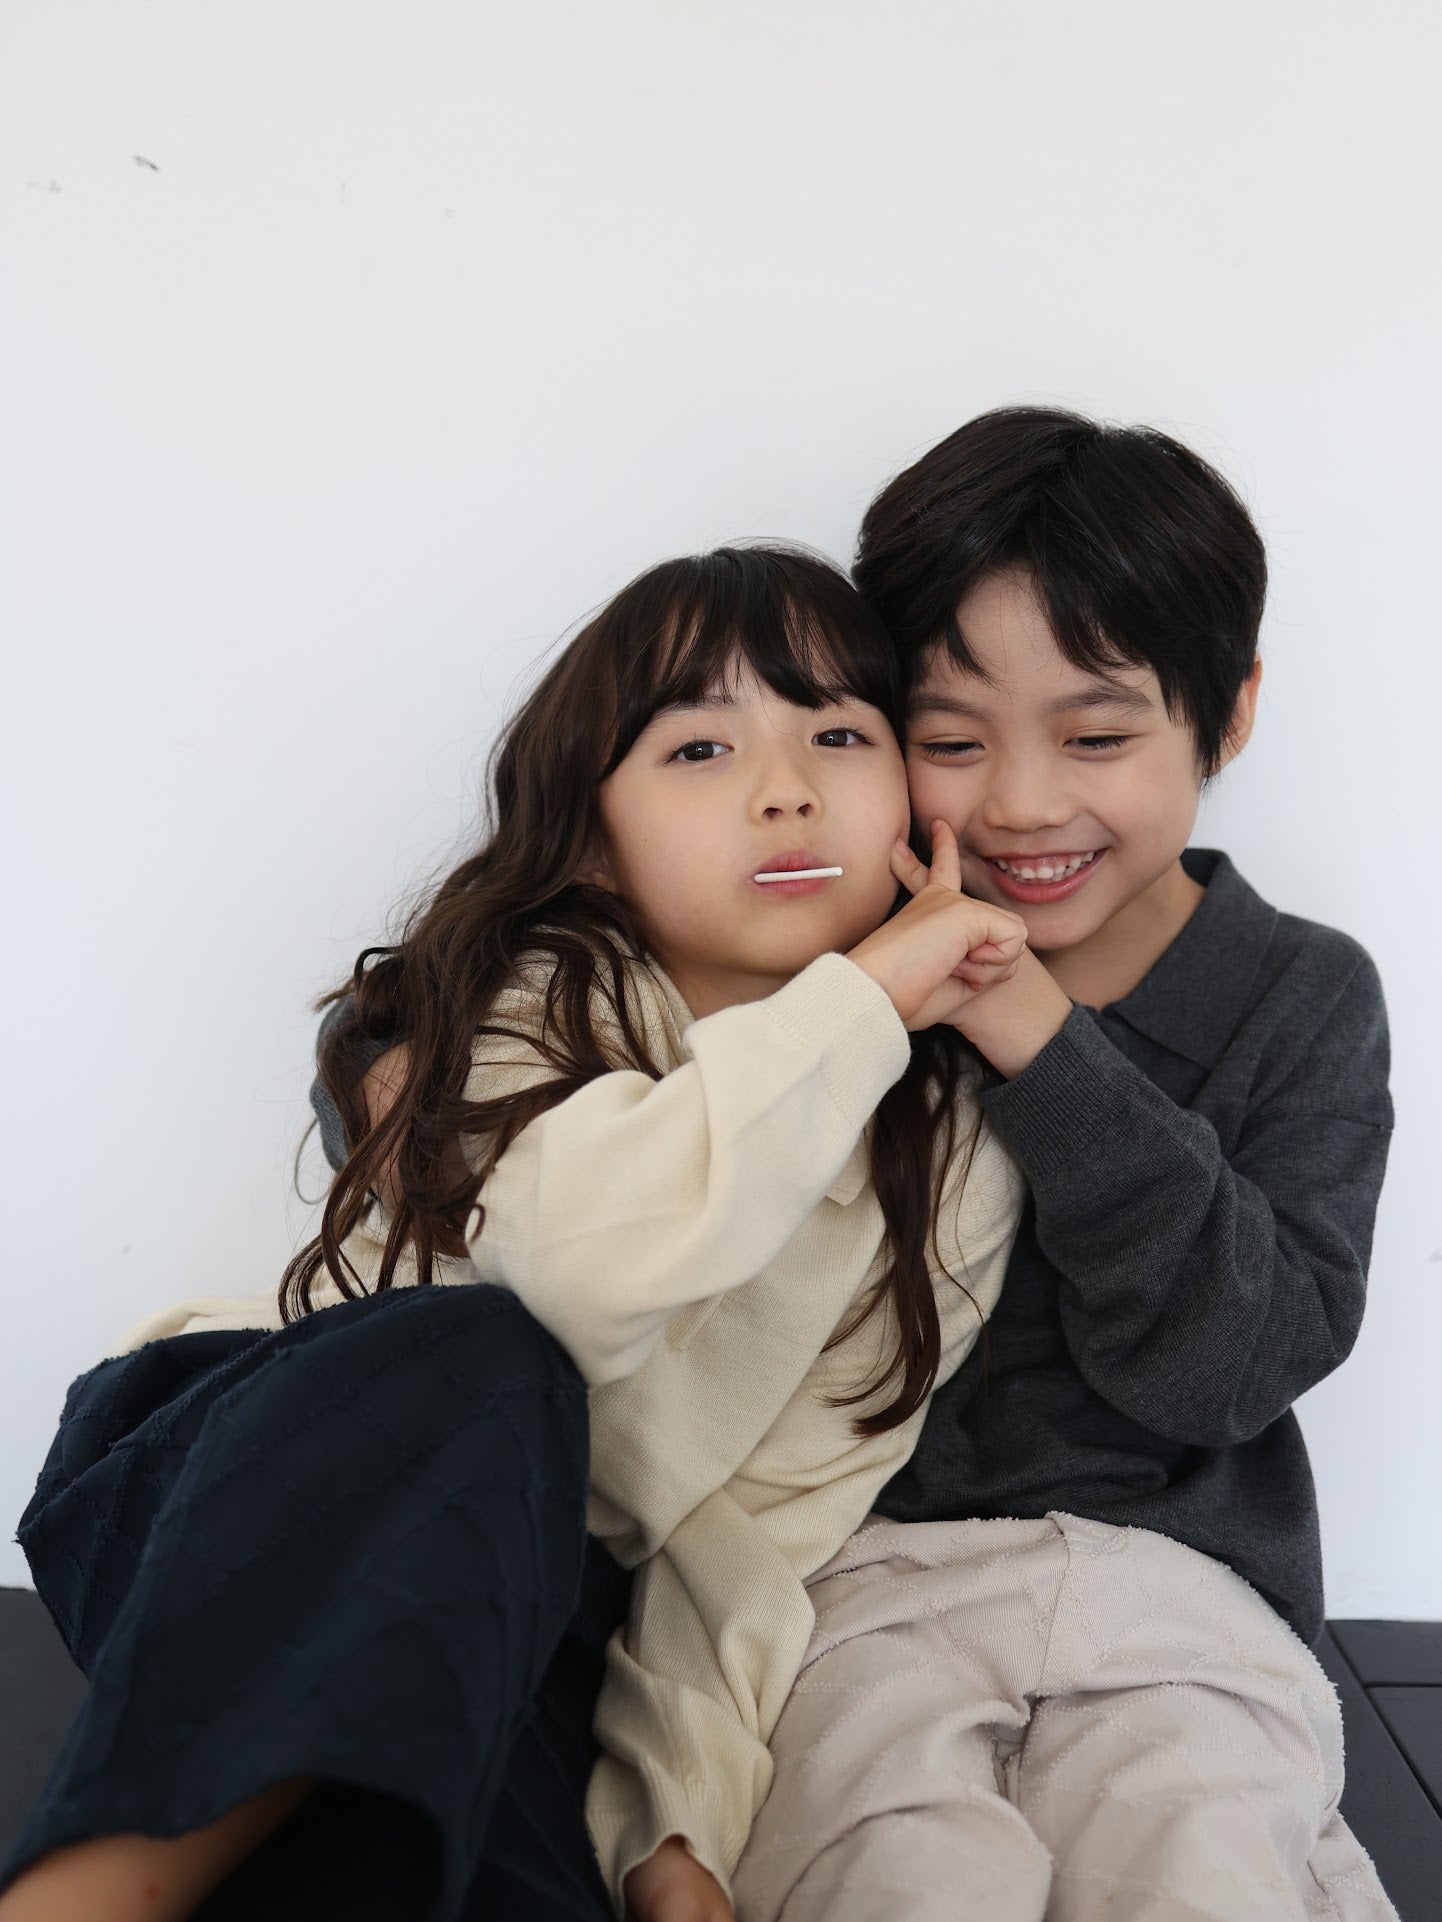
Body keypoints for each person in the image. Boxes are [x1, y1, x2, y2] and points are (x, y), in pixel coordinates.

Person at [0, 546, 1027, 1922]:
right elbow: (580, 1281)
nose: (785, 788)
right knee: (495, 1358)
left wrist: (674, 1826)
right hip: (245, 1471)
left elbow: (752, 1534)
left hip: (525, 1607)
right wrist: (867, 997)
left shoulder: (949, 1166)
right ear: (593, 843)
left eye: (838, 734)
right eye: (699, 747)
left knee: (504, 1865)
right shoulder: (527, 996)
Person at [648, 409, 1391, 1922]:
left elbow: (1236, 1362)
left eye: (1097, 736)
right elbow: (543, 1051)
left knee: (1201, 1861)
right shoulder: (828, 960)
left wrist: (1030, 1029)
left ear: (1230, 714)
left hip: (1187, 1597)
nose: (1022, 803)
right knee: (890, 1867)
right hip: (864, 1589)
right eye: (950, 739)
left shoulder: (1302, 993)